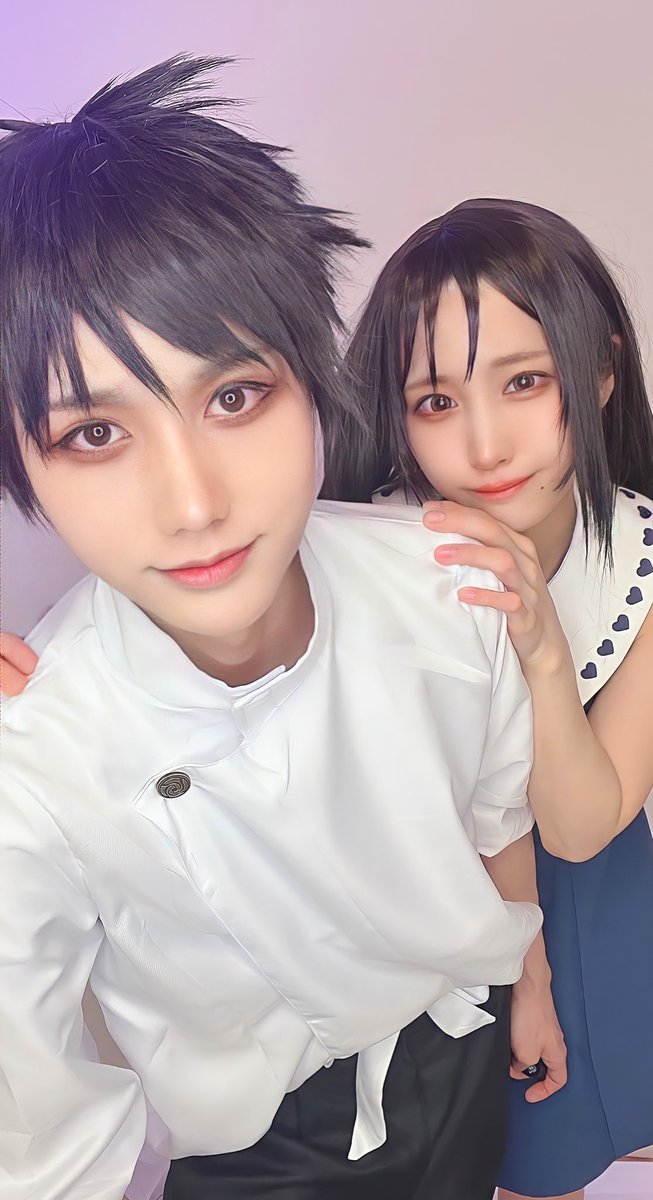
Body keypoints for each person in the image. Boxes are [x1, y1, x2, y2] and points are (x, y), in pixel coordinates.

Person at [0, 60, 545, 1200]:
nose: (193, 503)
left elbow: (500, 813)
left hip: (462, 1037)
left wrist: (527, 978)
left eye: (234, 397)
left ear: (310, 380)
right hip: (255, 1147)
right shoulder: (32, 752)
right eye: (95, 433)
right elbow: (38, 1148)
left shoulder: (444, 581)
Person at [345, 196, 653, 1200]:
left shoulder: (639, 553)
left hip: (590, 893)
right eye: (436, 402)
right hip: (431, 907)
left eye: (524, 381)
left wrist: (541, 645)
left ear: (599, 371)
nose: (484, 446)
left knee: (564, 1153)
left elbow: (580, 826)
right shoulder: (371, 558)